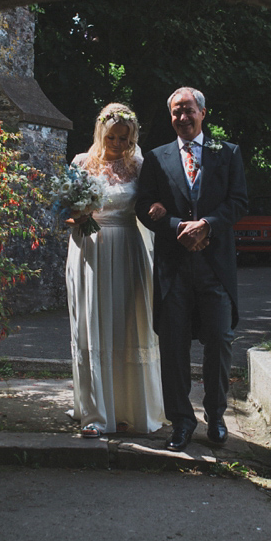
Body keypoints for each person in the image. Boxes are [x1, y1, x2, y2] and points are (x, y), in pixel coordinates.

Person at [135, 87, 248, 451]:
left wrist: (208, 226)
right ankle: (181, 422)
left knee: (219, 341)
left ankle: (216, 418)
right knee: (173, 346)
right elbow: (143, 206)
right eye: (175, 112)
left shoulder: (228, 153)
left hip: (215, 268)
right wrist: (177, 229)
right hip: (173, 268)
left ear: (203, 113)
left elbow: (239, 202)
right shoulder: (155, 158)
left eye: (188, 111)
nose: (182, 118)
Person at [65, 103, 167, 438]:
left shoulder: (140, 165)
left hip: (127, 248)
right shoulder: (82, 163)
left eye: (124, 137)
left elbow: (154, 203)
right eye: (112, 136)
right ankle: (97, 413)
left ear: (132, 136)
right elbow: (66, 212)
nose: (118, 143)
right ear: (100, 131)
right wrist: (78, 217)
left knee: (128, 325)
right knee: (94, 325)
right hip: (90, 250)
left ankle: (132, 410)